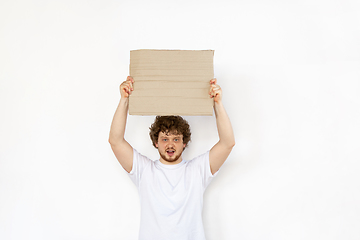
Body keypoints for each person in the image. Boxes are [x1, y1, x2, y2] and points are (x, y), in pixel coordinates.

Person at [109, 76, 235, 240]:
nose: (170, 144)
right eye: (165, 139)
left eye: (176, 139)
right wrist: (124, 99)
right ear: (156, 142)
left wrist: (218, 103)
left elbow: (227, 143)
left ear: (184, 143)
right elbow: (115, 141)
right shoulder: (144, 170)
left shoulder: (198, 170)